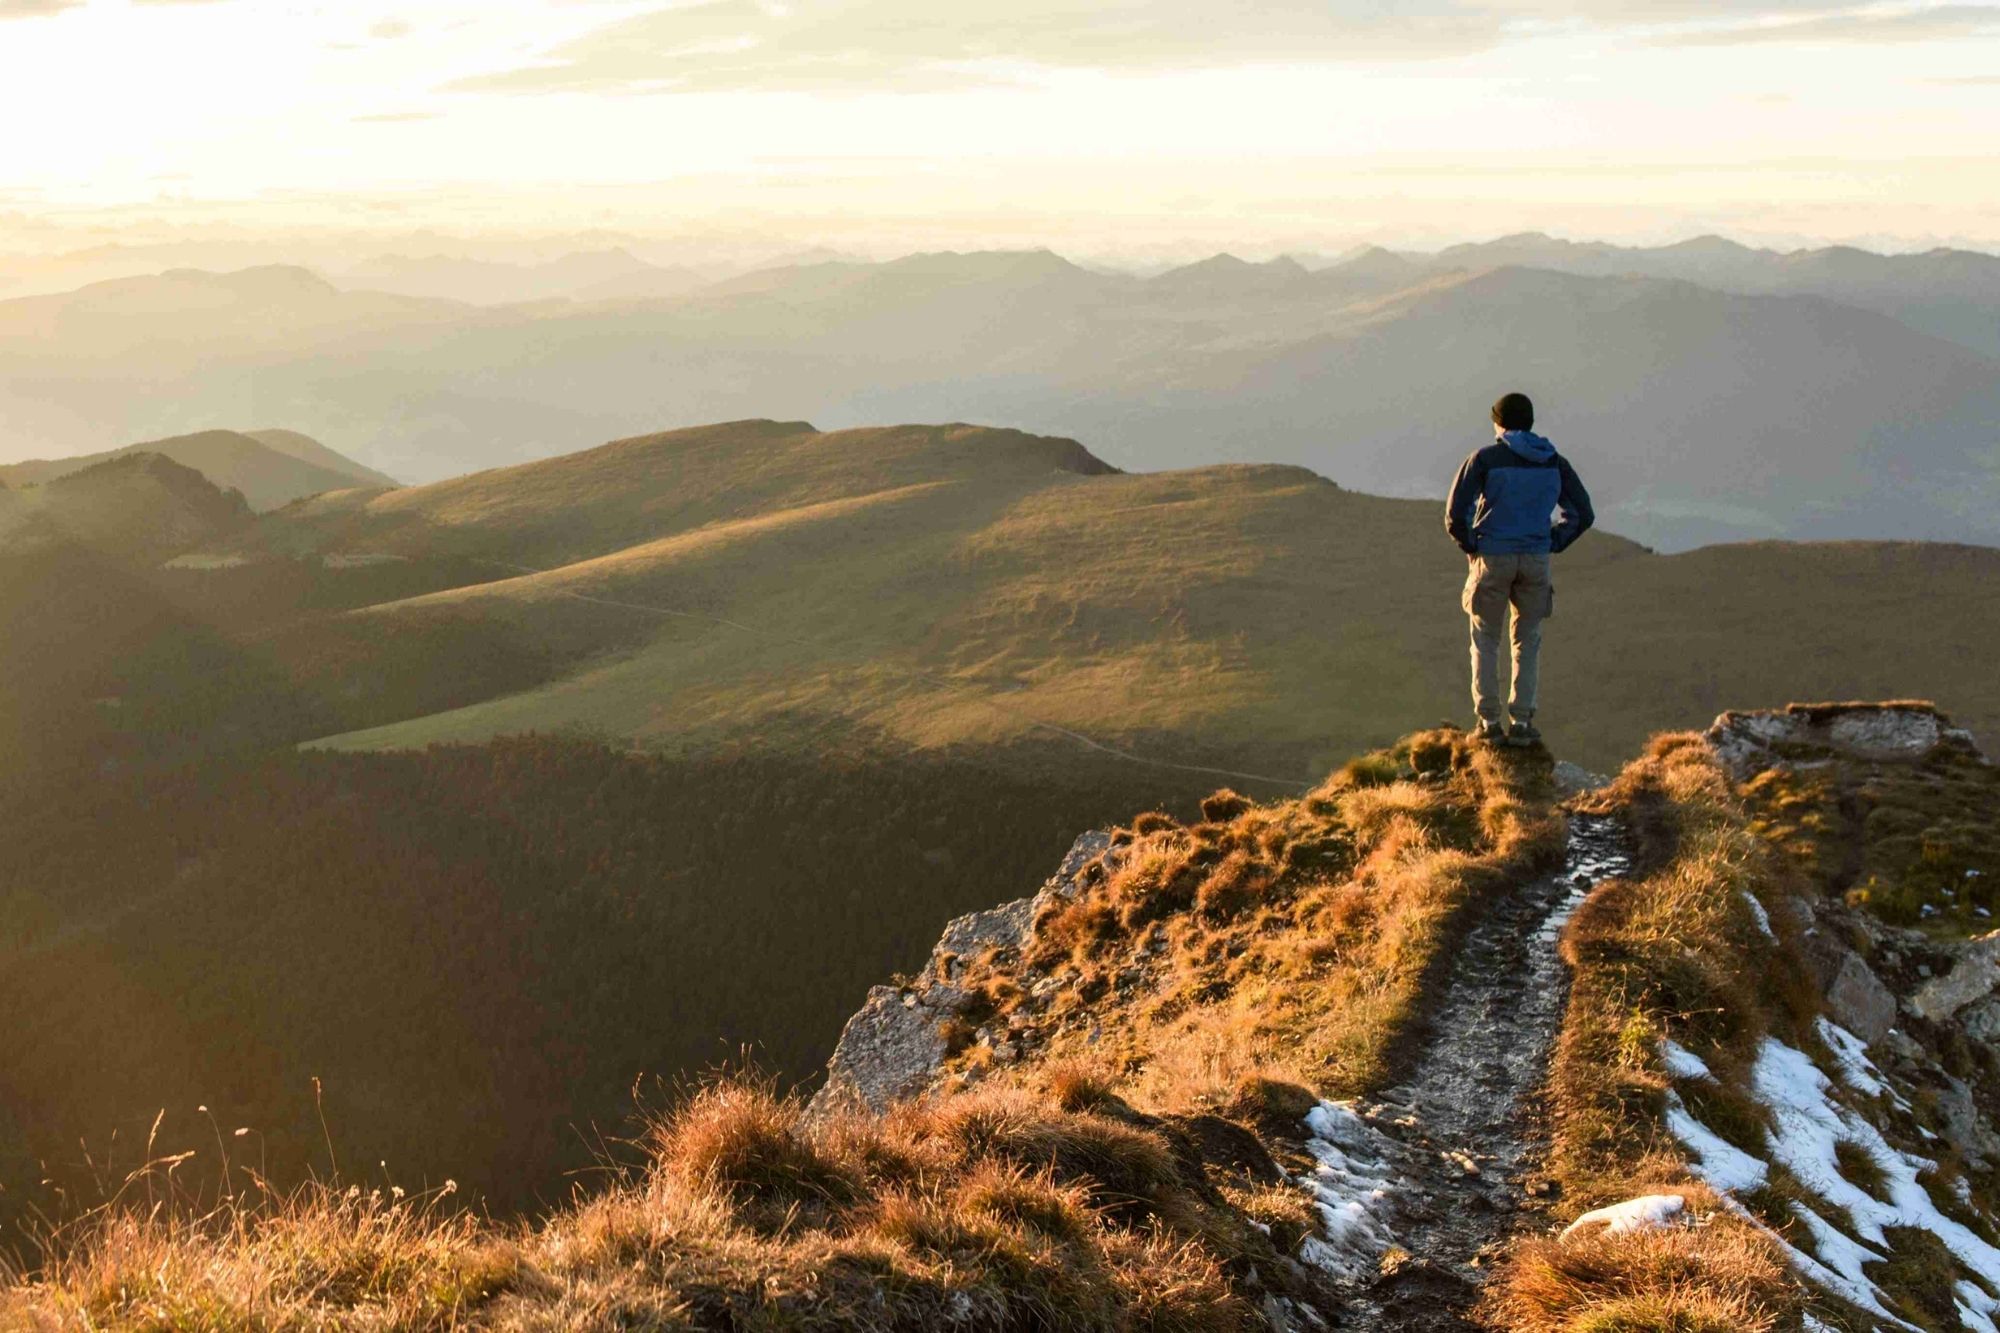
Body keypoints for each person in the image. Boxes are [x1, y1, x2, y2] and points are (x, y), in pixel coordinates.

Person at [1443, 392, 1594, 747]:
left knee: (1485, 639)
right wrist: (1551, 541)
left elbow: (1455, 514)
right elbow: (1582, 514)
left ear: (1498, 422)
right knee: (1527, 641)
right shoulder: (1554, 462)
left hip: (1493, 557)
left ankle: (1489, 722)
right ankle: (1523, 724)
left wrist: (1473, 545)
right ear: (1530, 422)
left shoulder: (1484, 459)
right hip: (1535, 559)